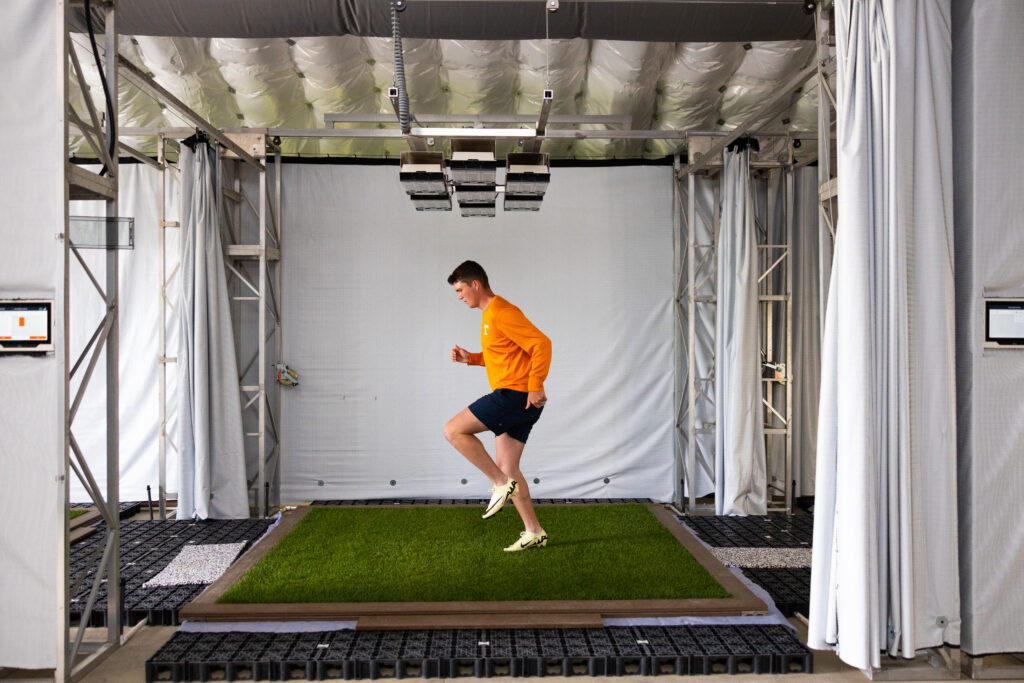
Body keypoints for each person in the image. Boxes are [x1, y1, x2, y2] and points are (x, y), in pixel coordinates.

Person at [443, 260, 552, 552]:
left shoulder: (502, 311)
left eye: (460, 289)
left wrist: (536, 384)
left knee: (453, 431)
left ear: (475, 284)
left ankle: (499, 483)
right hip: (519, 398)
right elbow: (503, 354)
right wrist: (472, 359)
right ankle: (534, 532)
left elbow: (541, 344)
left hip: (516, 395)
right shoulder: (490, 315)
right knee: (509, 467)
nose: (459, 296)